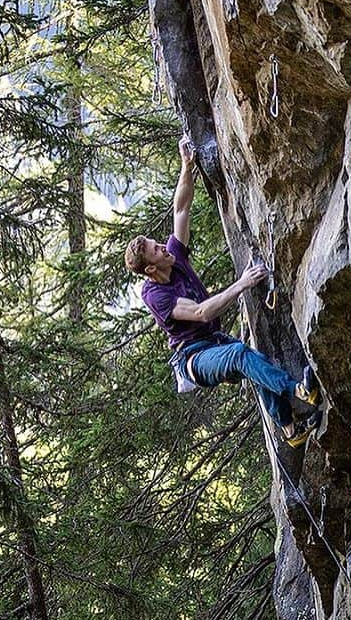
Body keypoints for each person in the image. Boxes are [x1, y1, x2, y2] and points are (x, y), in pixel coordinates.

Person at [125, 136, 319, 445]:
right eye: (155, 249)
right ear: (150, 268)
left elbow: (181, 210)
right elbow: (201, 313)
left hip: (212, 343)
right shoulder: (156, 296)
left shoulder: (174, 259)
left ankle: (290, 431)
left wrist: (186, 166)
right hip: (193, 360)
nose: (163, 246)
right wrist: (242, 284)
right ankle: (299, 390)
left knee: (252, 362)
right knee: (241, 355)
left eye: (157, 242)